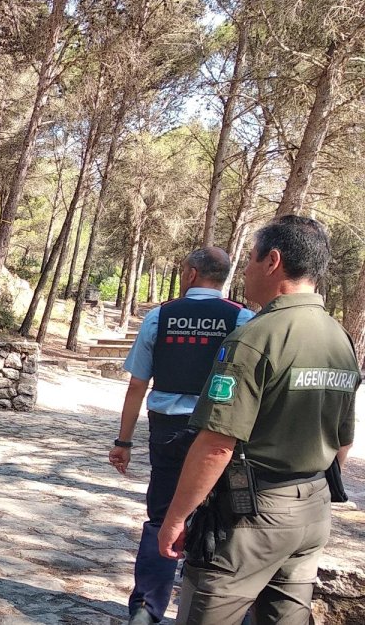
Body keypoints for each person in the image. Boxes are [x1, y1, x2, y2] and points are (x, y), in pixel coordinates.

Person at [158, 216, 359, 623]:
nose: (244, 270)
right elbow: (343, 439)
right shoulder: (339, 337)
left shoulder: (256, 337)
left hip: (251, 514)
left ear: (273, 261)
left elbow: (217, 444)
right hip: (312, 509)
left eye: (249, 258)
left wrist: (177, 517)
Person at [109, 247, 255, 625]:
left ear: (191, 274)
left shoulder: (160, 316)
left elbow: (136, 385)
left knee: (162, 514)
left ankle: (146, 608)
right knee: (220, 518)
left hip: (168, 430)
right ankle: (213, 609)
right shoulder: (243, 318)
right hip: (220, 430)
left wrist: (123, 442)